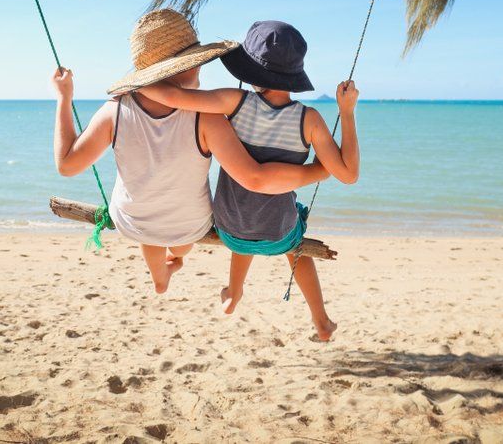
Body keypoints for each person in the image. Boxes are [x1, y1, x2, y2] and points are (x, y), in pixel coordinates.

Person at [51, 10, 329, 296]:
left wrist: (64, 98)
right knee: (180, 244)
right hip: (191, 226)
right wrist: (319, 169)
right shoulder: (206, 117)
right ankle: (178, 258)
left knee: (151, 234)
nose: (200, 69)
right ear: (186, 66)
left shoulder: (115, 110)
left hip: (132, 222)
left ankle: (160, 278)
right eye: (196, 62)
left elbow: (67, 165)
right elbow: (251, 177)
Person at [137, 20, 359, 341]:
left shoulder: (234, 102)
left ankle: (234, 292)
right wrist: (347, 112)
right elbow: (348, 175)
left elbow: (170, 97)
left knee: (246, 222)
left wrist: (138, 82)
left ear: (252, 71)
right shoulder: (309, 120)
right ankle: (321, 321)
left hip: (230, 228)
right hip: (280, 232)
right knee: (296, 247)